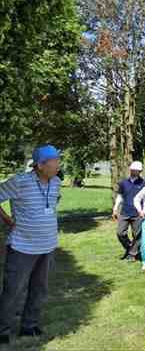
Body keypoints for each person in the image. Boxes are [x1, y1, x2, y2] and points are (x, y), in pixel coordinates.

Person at [0, 145, 62, 344]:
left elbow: (51, 205)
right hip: (22, 247)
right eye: (55, 161)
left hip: (48, 245)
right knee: (13, 290)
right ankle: (3, 329)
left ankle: (29, 326)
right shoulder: (20, 182)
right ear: (40, 165)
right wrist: (8, 219)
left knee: (39, 289)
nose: (58, 165)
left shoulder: (57, 182)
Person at [112, 161, 145, 262]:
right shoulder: (123, 183)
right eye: (132, 169)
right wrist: (115, 208)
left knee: (137, 235)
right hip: (124, 212)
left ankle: (132, 254)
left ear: (139, 171)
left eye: (136, 170)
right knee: (120, 233)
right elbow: (120, 196)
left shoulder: (144, 184)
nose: (133, 171)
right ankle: (130, 247)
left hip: (138, 214)